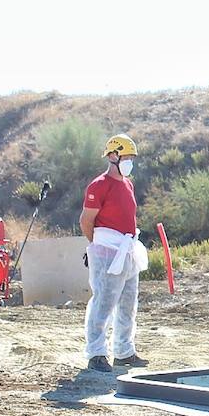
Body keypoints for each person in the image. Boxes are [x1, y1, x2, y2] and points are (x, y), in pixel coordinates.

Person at [81, 134, 148, 373]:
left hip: (127, 251)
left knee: (128, 304)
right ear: (112, 156)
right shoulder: (99, 185)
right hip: (107, 251)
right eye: (126, 156)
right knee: (103, 302)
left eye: (131, 157)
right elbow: (86, 220)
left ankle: (124, 351)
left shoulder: (127, 184)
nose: (129, 161)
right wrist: (97, 246)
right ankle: (96, 353)